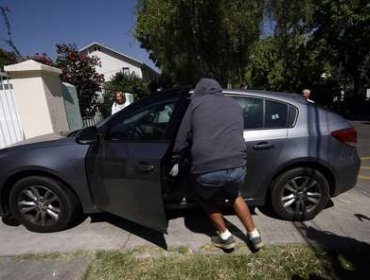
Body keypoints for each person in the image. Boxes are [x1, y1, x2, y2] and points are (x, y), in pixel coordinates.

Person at [169, 78, 263, 251]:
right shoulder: (234, 105)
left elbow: (182, 137)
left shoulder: (195, 104)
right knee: (235, 195)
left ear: (198, 91)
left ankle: (225, 237)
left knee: (206, 198)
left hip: (207, 169)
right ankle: (254, 234)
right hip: (237, 165)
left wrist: (175, 159)